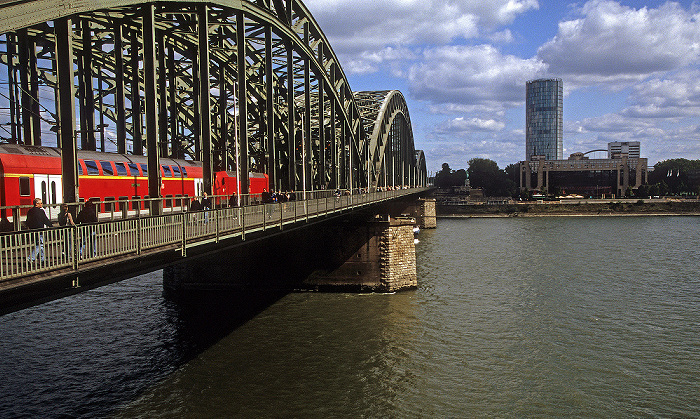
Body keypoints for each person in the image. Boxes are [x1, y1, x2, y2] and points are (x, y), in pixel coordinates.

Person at [26, 198, 53, 262]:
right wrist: (51, 226)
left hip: (33, 230)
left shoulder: (30, 211)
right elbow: (45, 220)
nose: (42, 204)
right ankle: (31, 258)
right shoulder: (41, 211)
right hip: (40, 229)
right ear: (36, 204)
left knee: (39, 244)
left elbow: (28, 221)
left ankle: (42, 258)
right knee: (40, 244)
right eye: (40, 203)